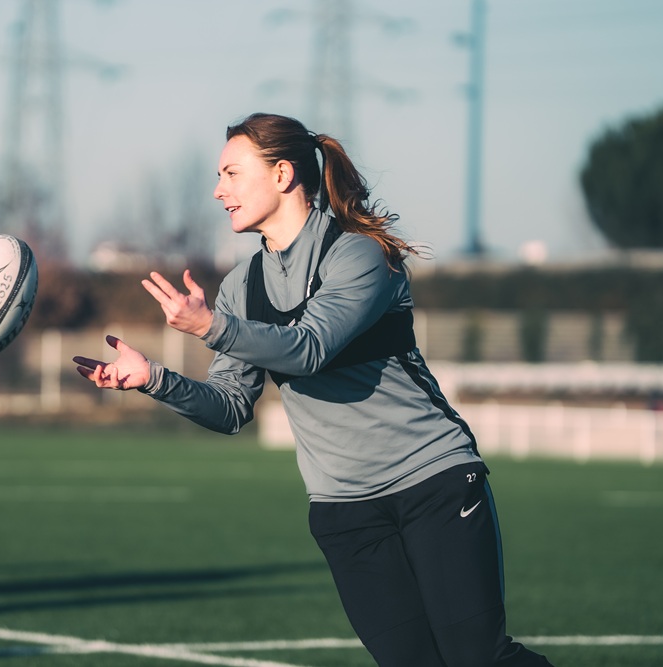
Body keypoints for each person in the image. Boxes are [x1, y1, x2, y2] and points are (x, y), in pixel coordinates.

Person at [73, 112, 554, 667]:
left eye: (231, 173)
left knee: (478, 658)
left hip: (433, 484)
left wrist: (210, 327)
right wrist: (155, 379)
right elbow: (230, 408)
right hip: (343, 511)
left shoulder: (358, 253)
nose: (218, 190)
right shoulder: (240, 288)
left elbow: (308, 348)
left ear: (281, 175)